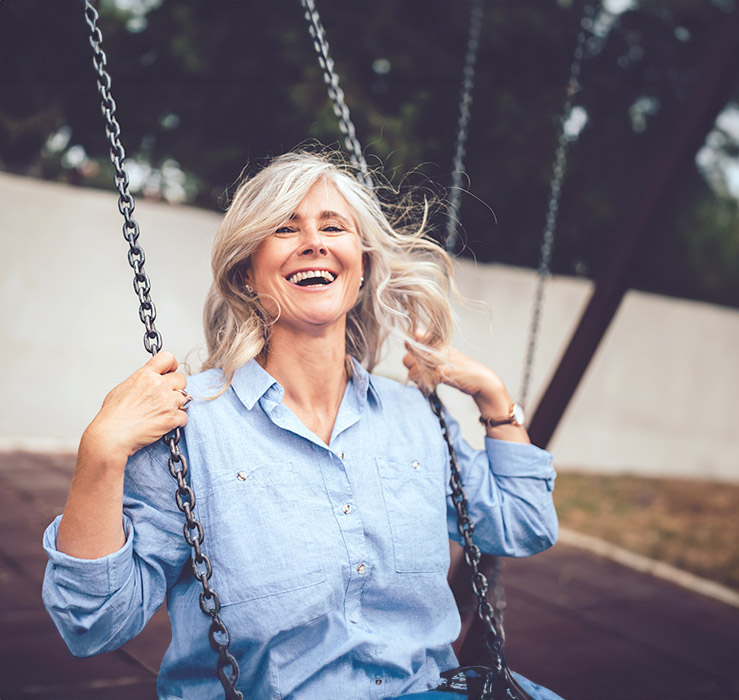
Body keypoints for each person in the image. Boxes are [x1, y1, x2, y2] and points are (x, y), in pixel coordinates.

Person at [41, 150, 559, 699]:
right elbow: (92, 624)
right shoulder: (187, 426)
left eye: (333, 226)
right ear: (246, 271)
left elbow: (523, 525)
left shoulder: (414, 417)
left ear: (360, 267)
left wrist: (494, 399)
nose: (314, 241)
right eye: (285, 228)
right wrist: (100, 453)